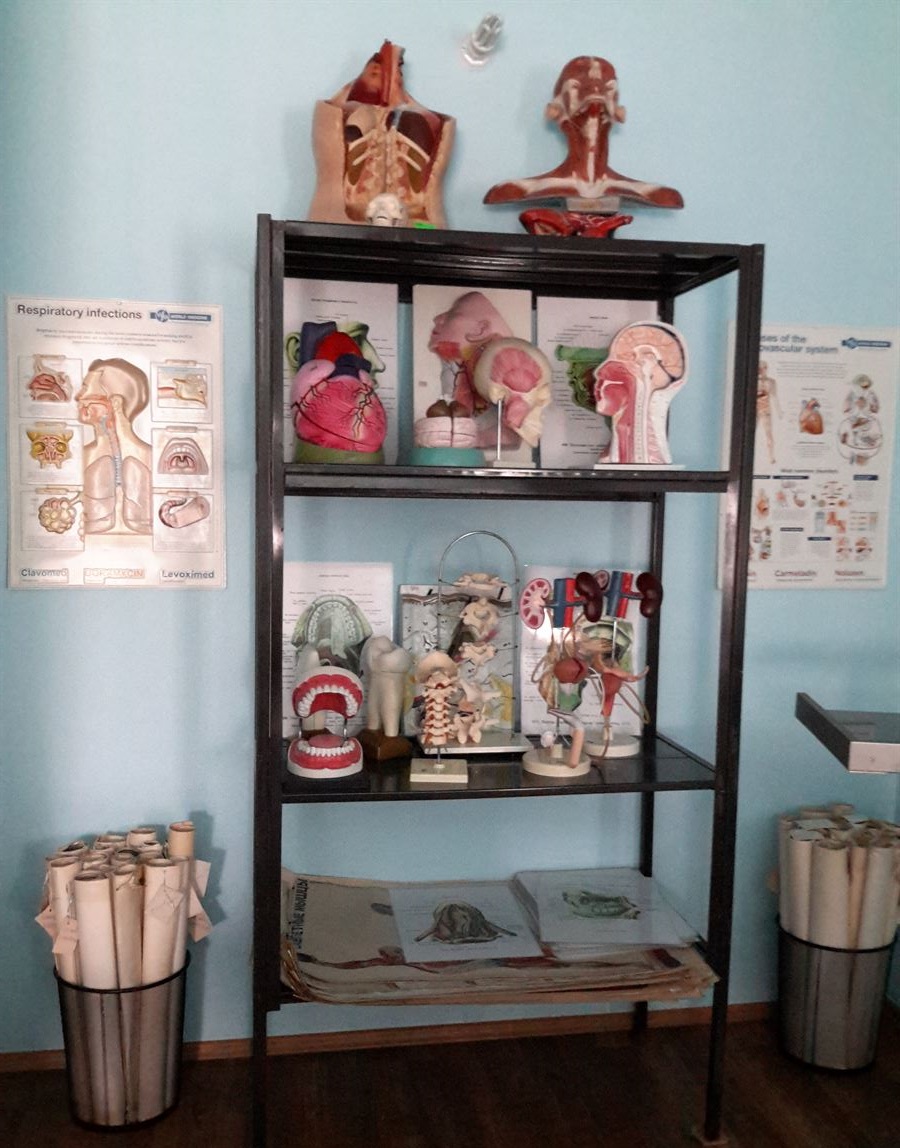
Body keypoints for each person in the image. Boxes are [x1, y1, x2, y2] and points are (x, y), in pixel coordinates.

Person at [484, 57, 682, 211]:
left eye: (608, 88)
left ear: (619, 111)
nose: (595, 92)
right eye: (577, 86)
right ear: (554, 110)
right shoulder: (519, 190)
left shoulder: (653, 193)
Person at [308, 40, 455, 228]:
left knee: (413, 123)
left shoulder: (420, 120)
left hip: (417, 224)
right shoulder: (350, 113)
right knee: (363, 118)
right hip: (343, 223)